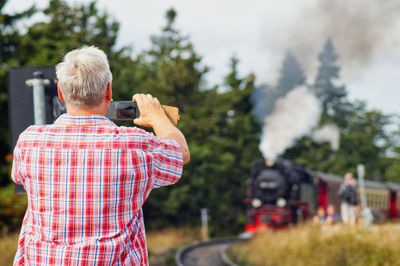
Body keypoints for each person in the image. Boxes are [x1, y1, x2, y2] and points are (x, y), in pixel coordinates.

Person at [11, 46, 190, 265]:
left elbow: (20, 178)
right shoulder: (135, 145)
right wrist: (158, 117)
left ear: (60, 92)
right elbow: (180, 154)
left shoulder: (29, 141)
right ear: (108, 91)